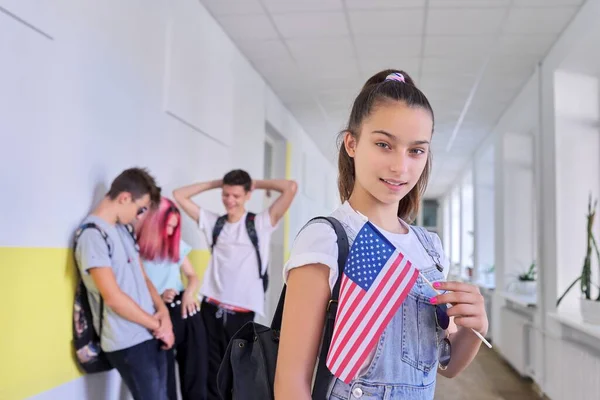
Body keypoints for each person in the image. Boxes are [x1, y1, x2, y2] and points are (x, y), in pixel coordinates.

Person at [274, 70, 489, 400]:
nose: (400, 168)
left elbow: (446, 366)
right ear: (352, 143)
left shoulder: (429, 248)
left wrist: (475, 329)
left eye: (416, 151)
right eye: (384, 145)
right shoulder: (328, 239)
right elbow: (291, 384)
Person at [173, 169, 297, 399]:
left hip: (241, 312)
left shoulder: (259, 224)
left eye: (236, 196)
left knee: (235, 372)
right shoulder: (214, 223)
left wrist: (254, 183)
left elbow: (290, 187)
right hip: (211, 307)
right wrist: (216, 182)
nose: (230, 200)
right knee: (209, 372)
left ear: (247, 195)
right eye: (226, 194)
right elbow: (178, 195)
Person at [74, 168, 174, 400]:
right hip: (126, 340)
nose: (140, 215)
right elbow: (113, 298)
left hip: (150, 332)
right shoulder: (93, 236)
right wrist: (158, 326)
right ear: (124, 198)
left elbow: (144, 279)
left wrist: (163, 314)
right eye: (140, 208)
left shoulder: (123, 230)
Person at [136, 197, 208, 400]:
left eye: (174, 227)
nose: (170, 232)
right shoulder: (136, 249)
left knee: (196, 380)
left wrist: (188, 293)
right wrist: (157, 297)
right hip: (157, 317)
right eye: (167, 226)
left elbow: (193, 276)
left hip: (185, 311)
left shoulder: (176, 245)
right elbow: (134, 288)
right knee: (164, 387)